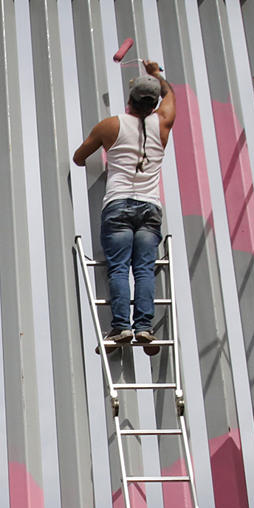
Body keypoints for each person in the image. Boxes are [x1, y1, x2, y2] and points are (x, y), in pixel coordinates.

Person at [72, 59, 176, 353]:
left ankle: (121, 327)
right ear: (154, 104)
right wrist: (156, 73)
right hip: (150, 207)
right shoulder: (163, 123)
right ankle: (144, 327)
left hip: (118, 205)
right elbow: (171, 97)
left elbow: (79, 157)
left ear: (130, 100)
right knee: (143, 269)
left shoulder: (111, 125)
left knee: (118, 269)